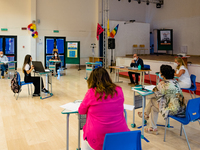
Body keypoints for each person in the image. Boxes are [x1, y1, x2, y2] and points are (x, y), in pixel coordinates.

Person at [78, 67, 130, 150]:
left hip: (99, 140)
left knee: (84, 133)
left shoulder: (92, 92)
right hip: (121, 136)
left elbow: (81, 111)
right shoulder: (118, 90)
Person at [138, 65, 186, 134]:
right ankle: (152, 127)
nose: (159, 74)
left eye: (160, 72)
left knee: (152, 100)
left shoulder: (163, 84)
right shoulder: (176, 82)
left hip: (172, 111)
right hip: (181, 109)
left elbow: (156, 94)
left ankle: (145, 114)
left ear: (163, 75)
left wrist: (156, 87)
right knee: (153, 108)